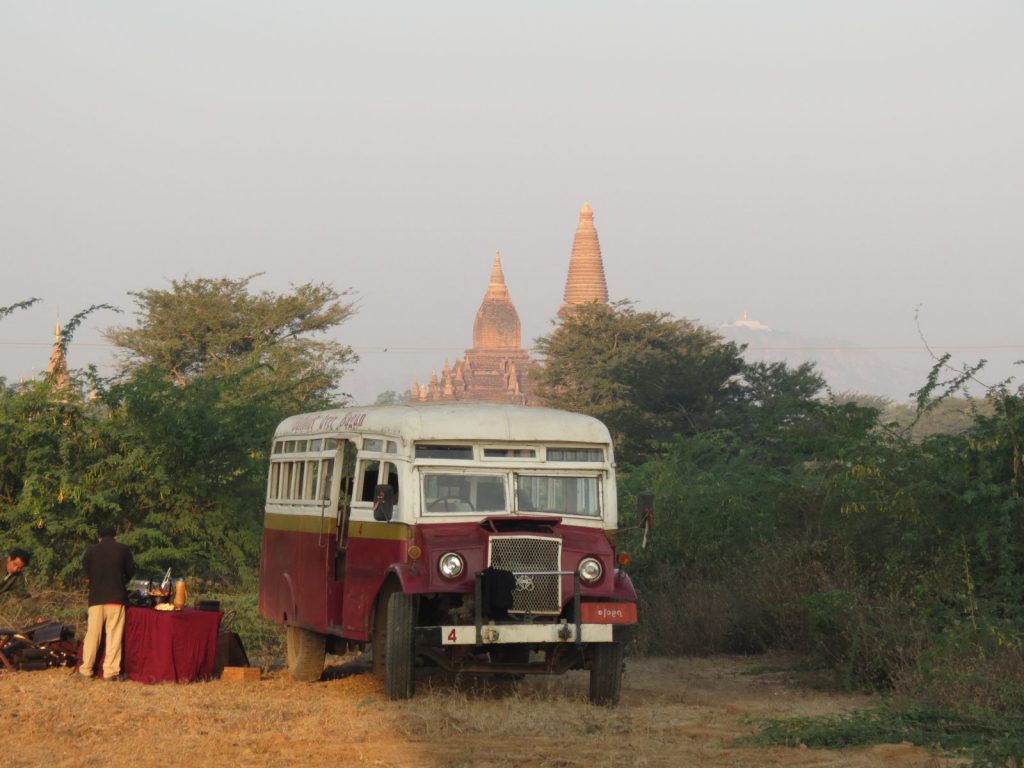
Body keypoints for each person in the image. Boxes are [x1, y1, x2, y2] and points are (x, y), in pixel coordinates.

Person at [78, 527, 135, 681]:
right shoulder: (123, 549)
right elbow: (130, 572)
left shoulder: (90, 552)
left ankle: (85, 670)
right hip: (116, 598)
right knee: (114, 636)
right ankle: (111, 672)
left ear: (99, 538)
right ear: (115, 536)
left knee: (92, 635)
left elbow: (88, 574)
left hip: (96, 599)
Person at [0, 548, 42, 625]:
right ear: (9, 559)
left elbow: (23, 597)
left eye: (20, 568)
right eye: (15, 564)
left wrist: (36, 616)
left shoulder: (18, 577)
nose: (16, 569)